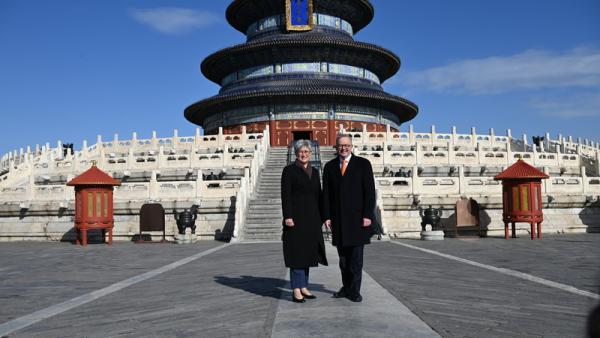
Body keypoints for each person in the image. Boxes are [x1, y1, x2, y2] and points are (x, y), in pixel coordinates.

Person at [322, 134, 375, 303]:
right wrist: (327, 216)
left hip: (358, 219)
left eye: (346, 145)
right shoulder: (330, 166)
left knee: (356, 259)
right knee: (343, 260)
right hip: (338, 220)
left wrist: (367, 215)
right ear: (335, 148)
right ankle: (345, 287)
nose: (343, 148)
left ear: (351, 146)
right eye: (340, 146)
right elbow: (326, 194)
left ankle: (355, 290)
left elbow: (369, 192)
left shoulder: (363, 164)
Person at [281, 139, 328, 303]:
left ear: (310, 153)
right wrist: (287, 216)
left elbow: (319, 195)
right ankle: (296, 289)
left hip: (312, 218)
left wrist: (325, 217)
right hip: (295, 218)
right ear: (296, 153)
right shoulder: (289, 171)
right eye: (301, 152)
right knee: (296, 254)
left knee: (308, 253)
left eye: (307, 152)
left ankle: (304, 286)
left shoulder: (314, 172)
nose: (304, 154)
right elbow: (285, 195)